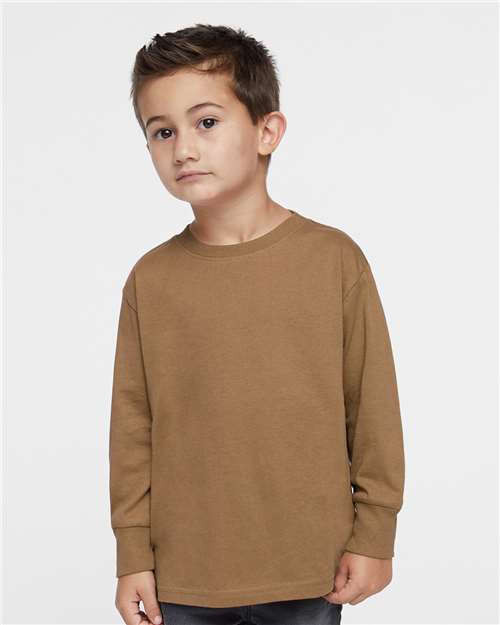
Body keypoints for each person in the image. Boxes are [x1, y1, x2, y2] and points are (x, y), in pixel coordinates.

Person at [109, 24, 405, 625]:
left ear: (268, 131)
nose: (183, 149)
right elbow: (133, 429)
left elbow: (371, 406)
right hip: (184, 577)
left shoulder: (333, 260)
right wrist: (131, 554)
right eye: (162, 131)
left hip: (310, 568)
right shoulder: (151, 280)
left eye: (206, 122)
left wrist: (376, 533)